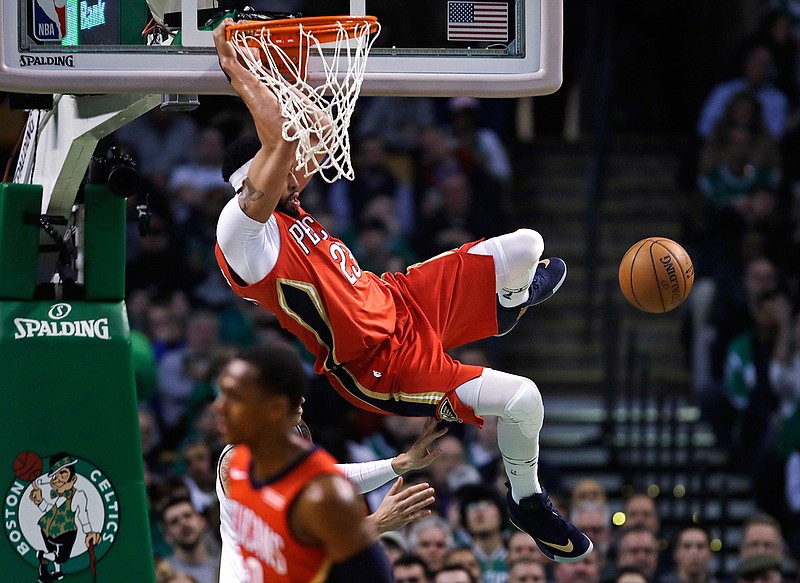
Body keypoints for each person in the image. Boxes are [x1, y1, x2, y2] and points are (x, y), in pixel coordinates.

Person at [212, 17, 592, 564]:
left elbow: (309, 127)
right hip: (379, 362)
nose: (304, 167)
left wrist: (290, 77)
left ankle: (505, 304)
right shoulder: (243, 233)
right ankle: (528, 500)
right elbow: (280, 136)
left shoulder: (287, 205)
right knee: (523, 398)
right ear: (261, 173)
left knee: (525, 246)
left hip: (401, 299)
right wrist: (239, 68)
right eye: (288, 166)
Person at [212, 344, 394, 582]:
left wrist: (370, 525)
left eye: (235, 397)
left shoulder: (323, 496)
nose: (219, 407)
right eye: (222, 394)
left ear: (276, 408)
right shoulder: (239, 462)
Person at [216, 406, 446, 581]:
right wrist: (375, 524)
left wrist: (400, 463)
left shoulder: (291, 440)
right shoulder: (236, 460)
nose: (302, 399)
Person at [158, 495, 221, 583]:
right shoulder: (162, 574)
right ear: (167, 535)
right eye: (174, 521)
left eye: (188, 516)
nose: (183, 523)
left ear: (202, 521)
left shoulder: (223, 566)